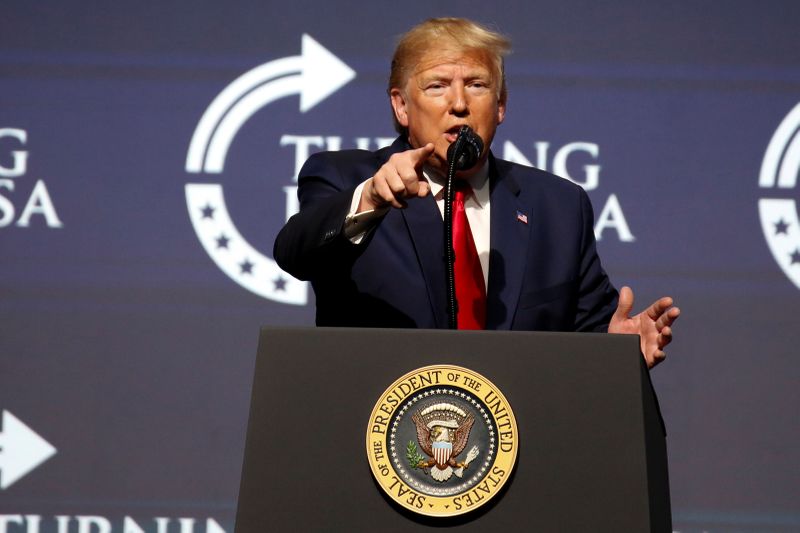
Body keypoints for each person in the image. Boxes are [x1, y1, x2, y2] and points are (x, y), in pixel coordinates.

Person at [274, 17, 679, 368]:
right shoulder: (347, 178)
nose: (459, 104)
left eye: (477, 85)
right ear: (401, 107)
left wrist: (616, 350)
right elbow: (296, 253)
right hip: (380, 432)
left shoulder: (557, 206)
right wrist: (371, 200)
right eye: (437, 86)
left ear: (500, 105)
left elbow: (587, 332)